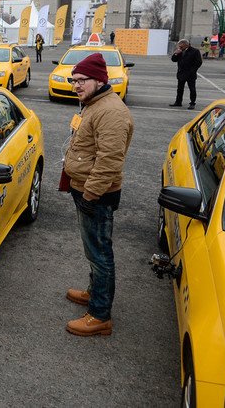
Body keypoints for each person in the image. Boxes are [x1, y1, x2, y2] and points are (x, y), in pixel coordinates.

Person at [61, 53, 134, 337]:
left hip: (96, 195)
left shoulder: (111, 112)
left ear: (100, 80)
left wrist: (90, 194)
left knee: (100, 254)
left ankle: (100, 315)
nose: (76, 85)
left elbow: (110, 161)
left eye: (82, 80)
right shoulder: (94, 103)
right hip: (85, 190)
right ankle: (94, 293)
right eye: (74, 80)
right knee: (94, 251)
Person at [170, 39, 202, 109]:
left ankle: (192, 103)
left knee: (192, 89)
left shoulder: (195, 51)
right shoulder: (180, 51)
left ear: (185, 44)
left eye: (181, 45)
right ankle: (178, 102)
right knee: (180, 89)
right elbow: (173, 60)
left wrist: (192, 71)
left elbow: (198, 62)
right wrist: (176, 53)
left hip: (190, 74)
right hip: (181, 73)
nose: (179, 47)